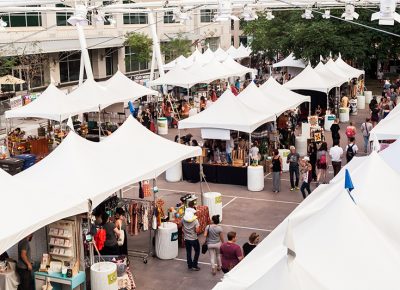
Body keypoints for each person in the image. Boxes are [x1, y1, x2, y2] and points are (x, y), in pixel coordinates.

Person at [182, 201, 201, 271]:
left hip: (186, 239)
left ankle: (189, 265)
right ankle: (194, 265)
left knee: (188, 252)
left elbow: (181, 226)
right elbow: (197, 231)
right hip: (194, 239)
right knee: (197, 251)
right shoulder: (195, 221)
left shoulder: (183, 219)